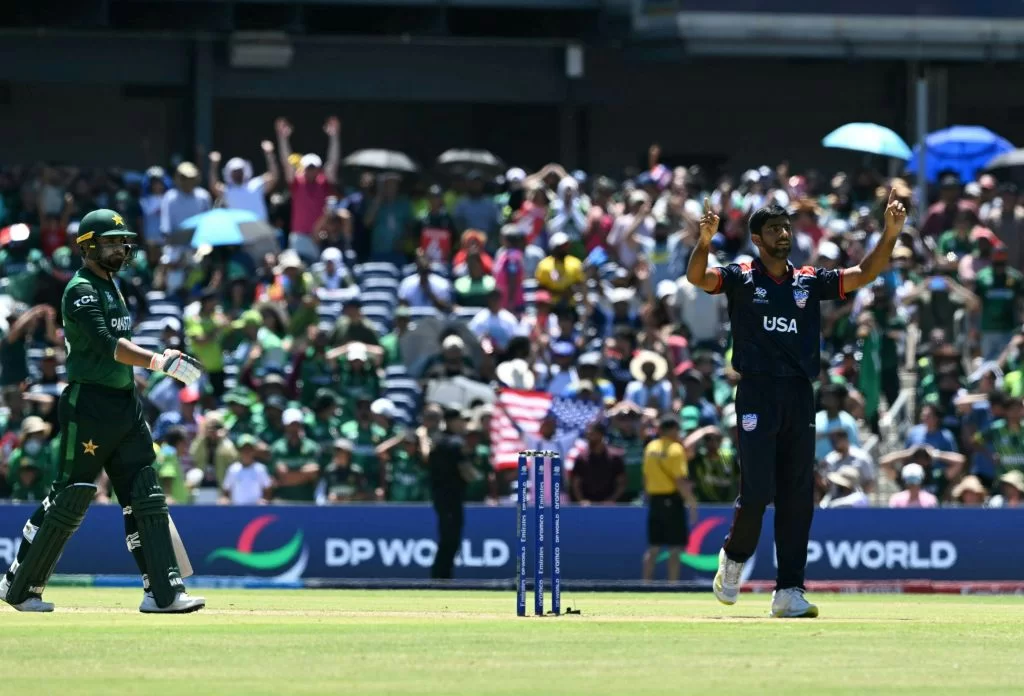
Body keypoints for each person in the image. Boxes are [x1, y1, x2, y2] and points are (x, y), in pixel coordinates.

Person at [687, 189, 906, 618]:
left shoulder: (808, 279)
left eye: (786, 227)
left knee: (797, 495)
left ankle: (788, 590)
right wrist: (705, 240)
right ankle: (733, 559)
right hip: (757, 391)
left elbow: (863, 273)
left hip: (800, 394)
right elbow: (699, 277)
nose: (783, 234)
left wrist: (890, 233)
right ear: (757, 238)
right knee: (758, 491)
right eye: (773, 229)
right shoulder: (740, 276)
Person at [0, 209, 205, 613]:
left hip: (123, 403)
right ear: (88, 246)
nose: (121, 248)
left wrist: (148, 369)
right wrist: (160, 362)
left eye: (123, 241)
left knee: (144, 492)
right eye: (111, 242)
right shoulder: (81, 290)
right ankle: (20, 587)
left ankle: (163, 593)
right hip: (89, 406)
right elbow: (111, 344)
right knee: (70, 497)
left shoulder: (112, 285)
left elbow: (120, 354)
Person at [641, 415, 698, 582]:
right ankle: (672, 585)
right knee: (674, 548)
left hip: (655, 500)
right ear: (673, 429)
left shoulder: (650, 447)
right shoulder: (675, 449)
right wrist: (692, 503)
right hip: (672, 501)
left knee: (653, 548)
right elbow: (680, 480)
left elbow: (645, 477)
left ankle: (645, 584)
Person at [428, 405, 470, 579]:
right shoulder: (454, 442)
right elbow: (465, 470)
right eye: (460, 421)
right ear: (451, 421)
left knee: (447, 537)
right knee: (451, 538)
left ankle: (441, 575)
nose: (463, 424)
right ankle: (442, 576)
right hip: (451, 496)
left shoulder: (437, 440)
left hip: (440, 495)